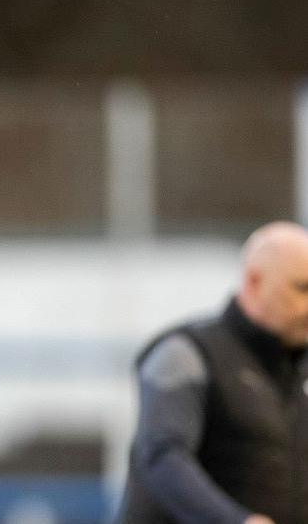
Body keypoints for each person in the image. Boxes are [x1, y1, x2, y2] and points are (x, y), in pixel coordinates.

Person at [117, 221, 308, 524]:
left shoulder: (295, 376)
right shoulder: (187, 353)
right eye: (302, 288)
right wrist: (235, 521)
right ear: (254, 283)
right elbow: (161, 454)